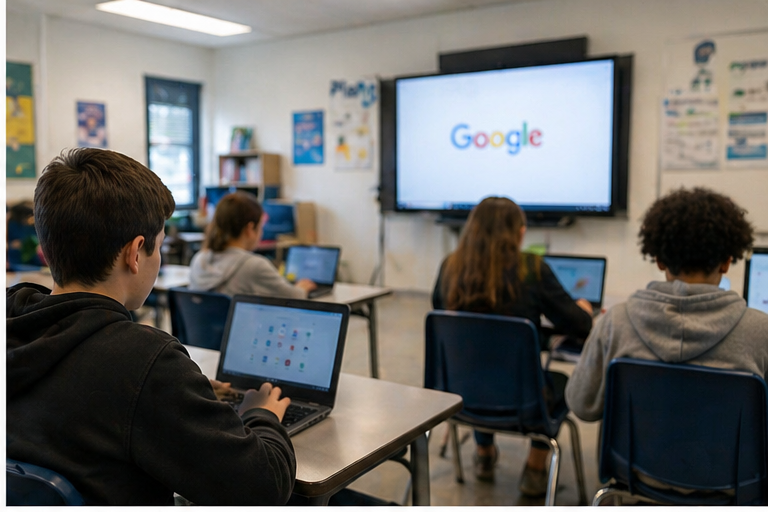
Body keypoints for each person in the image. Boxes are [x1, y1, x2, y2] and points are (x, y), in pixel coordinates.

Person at [6, 148, 296, 506]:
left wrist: (187, 393)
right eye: (158, 247)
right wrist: (262, 414)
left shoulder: (13, 322)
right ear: (135, 253)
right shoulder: (145, 361)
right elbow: (263, 489)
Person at [432, 196, 593, 496]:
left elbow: (443, 318)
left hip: (458, 397)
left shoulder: (449, 267)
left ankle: (484, 454)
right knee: (561, 383)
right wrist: (583, 310)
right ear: (518, 233)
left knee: (480, 368)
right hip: (523, 400)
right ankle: (535, 469)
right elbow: (579, 325)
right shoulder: (531, 268)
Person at [565, 187, 768, 422]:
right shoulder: (760, 332)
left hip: (635, 449)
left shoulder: (615, 323)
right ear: (726, 263)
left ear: (660, 261)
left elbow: (582, 405)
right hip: (728, 448)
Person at [188, 191, 316, 298]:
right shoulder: (253, 265)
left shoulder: (199, 259)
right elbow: (294, 297)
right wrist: (302, 288)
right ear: (250, 229)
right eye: (261, 226)